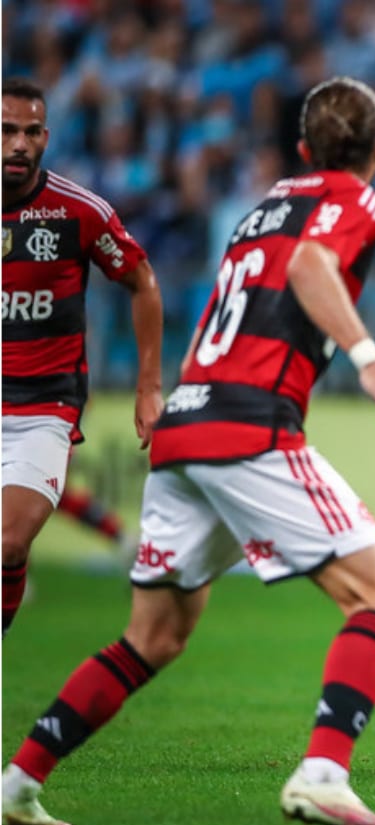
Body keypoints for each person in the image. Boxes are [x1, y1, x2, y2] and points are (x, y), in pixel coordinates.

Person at [1, 76, 375, 825]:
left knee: (151, 638)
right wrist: (371, 361)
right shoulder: (358, 199)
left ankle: (18, 780)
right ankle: (323, 776)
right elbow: (308, 270)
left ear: (300, 149)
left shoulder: (262, 207)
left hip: (187, 424)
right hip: (250, 425)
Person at [1, 77, 164, 637]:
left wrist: (147, 386)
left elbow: (142, 281)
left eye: (30, 132)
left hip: (43, 407)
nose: (19, 144)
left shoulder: (78, 212)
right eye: (6, 131)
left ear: (46, 137)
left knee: (9, 541)